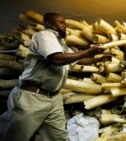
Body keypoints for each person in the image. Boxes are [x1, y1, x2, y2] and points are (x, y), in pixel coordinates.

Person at [0, 12, 111, 141]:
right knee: (17, 137)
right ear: (48, 24)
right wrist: (89, 51)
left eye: (65, 23)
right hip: (33, 97)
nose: (65, 26)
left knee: (59, 138)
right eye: (61, 22)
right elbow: (56, 59)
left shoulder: (60, 43)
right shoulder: (44, 35)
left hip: (54, 98)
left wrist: (99, 59)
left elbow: (77, 60)